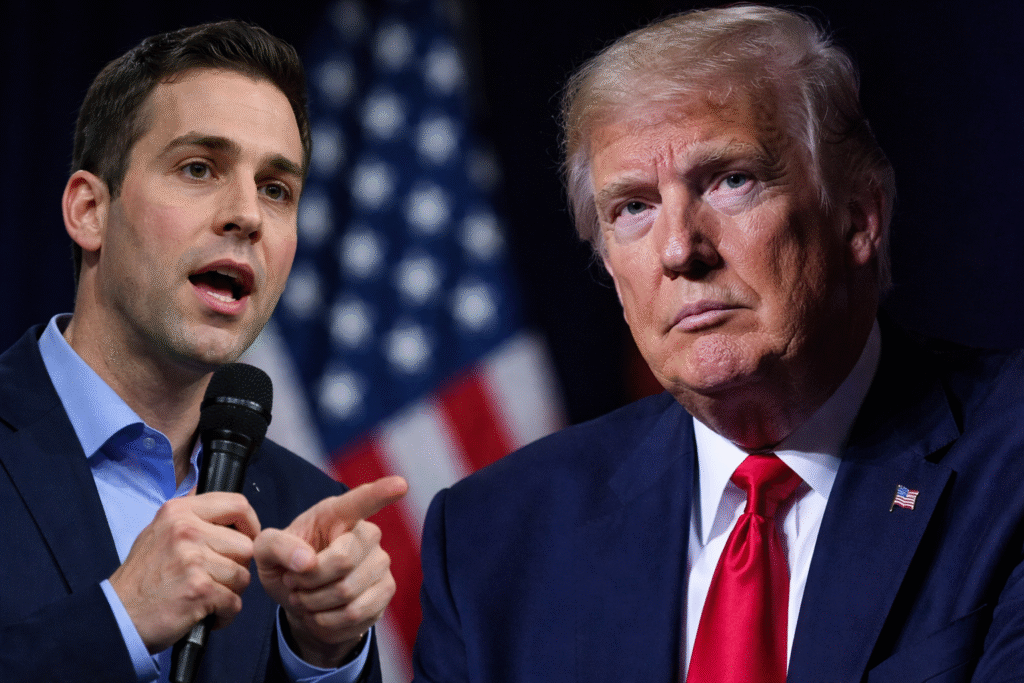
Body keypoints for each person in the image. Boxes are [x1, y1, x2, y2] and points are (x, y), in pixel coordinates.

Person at [412, 5, 1024, 683]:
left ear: (858, 216)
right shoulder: (492, 542)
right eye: (633, 207)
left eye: (732, 180)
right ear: (610, 268)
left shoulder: (1009, 461)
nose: (680, 249)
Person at [0, 20, 408, 683]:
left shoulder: (306, 509)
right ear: (89, 210)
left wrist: (321, 654)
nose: (247, 214)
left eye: (276, 189)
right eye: (199, 168)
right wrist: (120, 619)